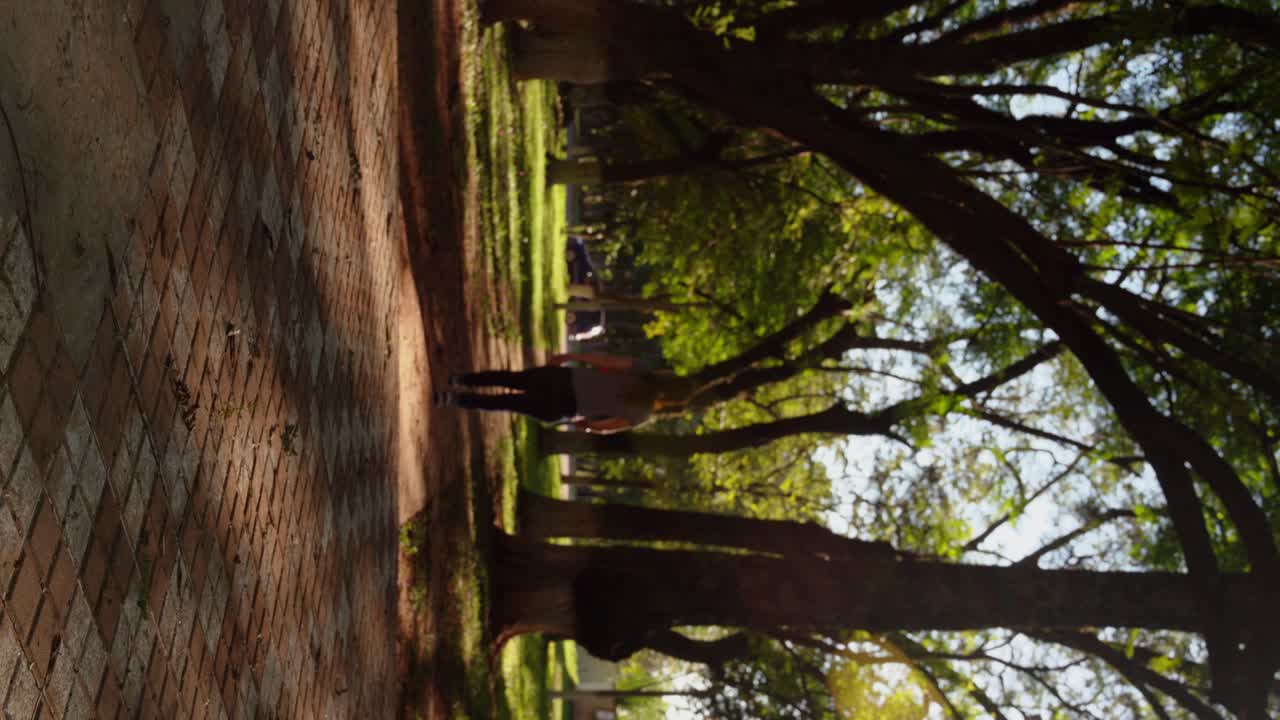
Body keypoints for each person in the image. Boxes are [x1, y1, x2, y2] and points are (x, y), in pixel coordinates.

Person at [434, 352, 694, 433]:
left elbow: (602, 361)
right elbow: (607, 426)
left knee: (511, 380)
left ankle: (461, 379)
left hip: (564, 379)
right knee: (508, 403)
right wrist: (586, 425)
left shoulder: (642, 369)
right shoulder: (643, 415)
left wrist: (569, 356)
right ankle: (454, 399)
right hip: (565, 407)